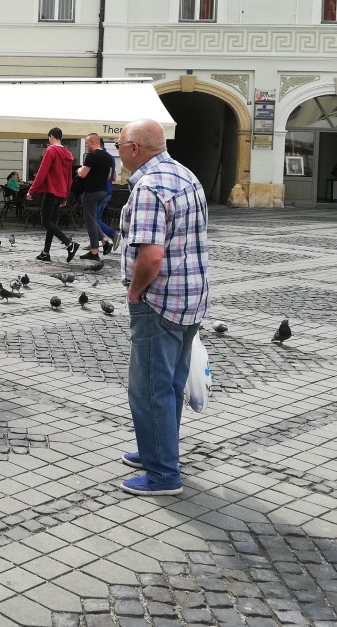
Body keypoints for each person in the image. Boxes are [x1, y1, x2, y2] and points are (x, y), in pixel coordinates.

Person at [117, 119, 209, 496]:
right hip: (191, 297)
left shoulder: (149, 187)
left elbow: (151, 257)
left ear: (135, 148)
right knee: (170, 384)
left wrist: (135, 293)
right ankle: (157, 450)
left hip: (160, 300)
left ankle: (163, 475)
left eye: (119, 143)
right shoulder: (186, 175)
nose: (117, 149)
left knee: (150, 388)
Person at [27, 128, 77, 262]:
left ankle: (69, 244)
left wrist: (31, 190)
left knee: (46, 222)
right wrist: (66, 196)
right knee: (51, 223)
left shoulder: (51, 151)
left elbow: (42, 172)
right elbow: (69, 178)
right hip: (61, 192)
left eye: (49, 137)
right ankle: (45, 252)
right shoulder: (67, 154)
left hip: (51, 191)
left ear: (51, 136)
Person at [76, 133, 115, 261]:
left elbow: (83, 174)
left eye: (87, 143)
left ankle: (94, 251)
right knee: (93, 218)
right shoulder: (108, 157)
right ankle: (104, 243)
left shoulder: (91, 156)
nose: (86, 146)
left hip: (91, 191)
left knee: (90, 221)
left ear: (92, 142)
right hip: (103, 191)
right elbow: (109, 176)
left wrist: (78, 170)